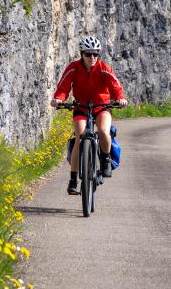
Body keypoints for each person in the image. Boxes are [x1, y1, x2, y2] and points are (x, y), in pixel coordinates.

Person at [50, 36, 128, 195]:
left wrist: (120, 99)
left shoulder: (104, 68)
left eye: (95, 54)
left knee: (103, 131)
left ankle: (105, 159)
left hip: (102, 107)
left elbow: (115, 86)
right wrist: (58, 99)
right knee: (79, 137)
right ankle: (73, 180)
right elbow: (63, 86)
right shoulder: (73, 68)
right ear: (82, 54)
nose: (92, 57)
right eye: (88, 54)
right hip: (81, 107)